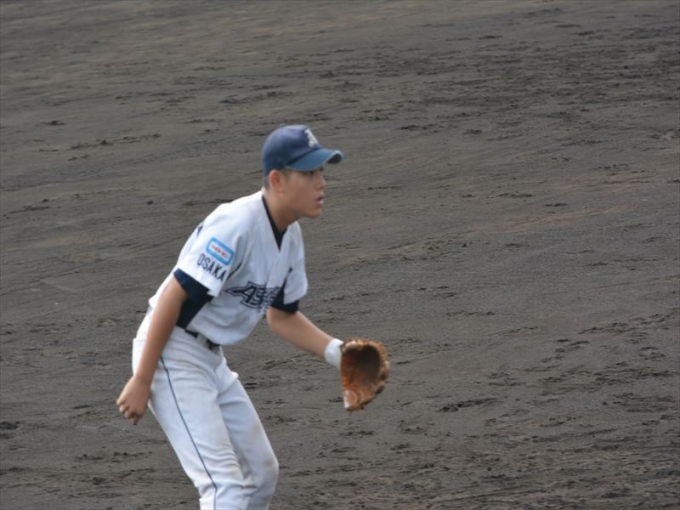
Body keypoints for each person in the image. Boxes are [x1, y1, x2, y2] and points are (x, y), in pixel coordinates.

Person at [116, 124, 347, 510]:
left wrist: (339, 352)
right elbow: (173, 296)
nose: (321, 182)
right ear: (278, 180)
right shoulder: (237, 225)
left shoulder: (290, 236)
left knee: (261, 473)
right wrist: (143, 378)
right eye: (309, 173)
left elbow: (282, 317)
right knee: (224, 485)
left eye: (321, 172)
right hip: (170, 353)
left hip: (209, 359)